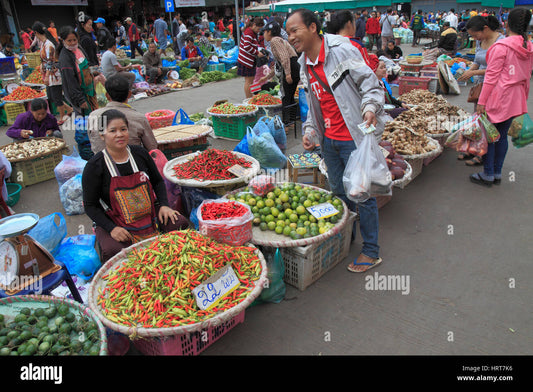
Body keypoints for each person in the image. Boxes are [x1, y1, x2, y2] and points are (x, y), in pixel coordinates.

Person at [286, 8, 385, 273]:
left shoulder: (341, 50)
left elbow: (370, 84)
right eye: (288, 33)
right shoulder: (303, 63)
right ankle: (347, 235)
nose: (291, 37)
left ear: (313, 27)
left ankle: (371, 250)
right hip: (328, 140)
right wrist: (310, 132)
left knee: (362, 194)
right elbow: (313, 102)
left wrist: (370, 108)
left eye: (295, 30)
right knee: (339, 192)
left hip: (353, 136)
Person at [82, 109, 191, 262]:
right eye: (113, 131)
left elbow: (158, 181)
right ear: (102, 135)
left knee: (179, 223)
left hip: (149, 214)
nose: (119, 134)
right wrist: (111, 228)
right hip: (116, 221)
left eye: (123, 129)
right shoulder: (95, 166)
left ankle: (176, 261)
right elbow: (90, 205)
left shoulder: (140, 153)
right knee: (113, 250)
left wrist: (165, 205)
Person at [470, 8, 533, 187]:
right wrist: (523, 99)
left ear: (506, 23)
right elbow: (527, 75)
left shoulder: (501, 47)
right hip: (516, 97)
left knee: (490, 136)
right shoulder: (528, 46)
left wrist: (482, 102)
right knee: (502, 136)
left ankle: (488, 173)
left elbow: (491, 78)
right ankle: (497, 172)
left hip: (498, 97)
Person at [457, 15, 505, 165]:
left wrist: (473, 73)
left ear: (485, 29)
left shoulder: (501, 42)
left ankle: (482, 155)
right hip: (480, 86)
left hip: (495, 88)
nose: (474, 38)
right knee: (478, 120)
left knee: (488, 123)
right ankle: (473, 149)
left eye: (474, 34)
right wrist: (466, 72)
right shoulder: (480, 41)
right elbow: (477, 62)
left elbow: (497, 70)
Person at [88, 74, 157, 154]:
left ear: (107, 95)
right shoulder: (138, 118)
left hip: (101, 164)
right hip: (129, 163)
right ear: (129, 94)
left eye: (123, 129)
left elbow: (93, 143)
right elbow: (152, 148)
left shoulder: (93, 116)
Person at [31, 22, 72, 125]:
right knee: (52, 96)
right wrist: (41, 66)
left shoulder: (49, 44)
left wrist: (47, 76)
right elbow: (44, 59)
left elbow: (50, 61)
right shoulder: (43, 44)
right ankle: (69, 109)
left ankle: (62, 117)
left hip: (54, 74)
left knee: (56, 96)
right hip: (49, 73)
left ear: (36, 32)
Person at [260, 21, 300, 124]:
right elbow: (279, 64)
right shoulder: (279, 40)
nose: (264, 35)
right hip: (294, 66)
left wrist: (287, 74)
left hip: (291, 66)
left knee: (285, 97)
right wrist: (267, 77)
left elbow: (284, 57)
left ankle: (286, 123)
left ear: (269, 32)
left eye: (264, 32)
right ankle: (291, 121)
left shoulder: (275, 40)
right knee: (290, 96)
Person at [57, 26, 98, 116]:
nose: (73, 43)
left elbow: (86, 64)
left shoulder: (78, 49)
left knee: (95, 116)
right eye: (69, 41)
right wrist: (80, 100)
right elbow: (70, 82)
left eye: (74, 40)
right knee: (85, 121)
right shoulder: (65, 58)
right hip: (79, 94)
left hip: (89, 90)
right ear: (63, 41)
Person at [237, 17, 266, 98]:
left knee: (250, 80)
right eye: (258, 28)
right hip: (246, 61)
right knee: (248, 81)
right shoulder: (249, 32)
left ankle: (251, 97)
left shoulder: (250, 32)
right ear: (253, 25)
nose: (259, 30)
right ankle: (248, 99)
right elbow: (246, 46)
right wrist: (257, 53)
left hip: (248, 60)